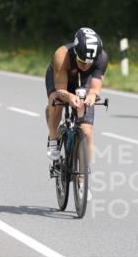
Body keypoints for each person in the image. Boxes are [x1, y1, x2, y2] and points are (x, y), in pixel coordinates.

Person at [45, 27, 108, 160]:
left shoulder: (102, 58)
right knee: (56, 101)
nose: (85, 66)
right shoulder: (62, 54)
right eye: (82, 61)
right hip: (61, 78)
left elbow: (95, 88)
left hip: (83, 81)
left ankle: (82, 174)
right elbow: (61, 90)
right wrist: (69, 96)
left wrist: (92, 96)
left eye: (89, 63)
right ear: (75, 52)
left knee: (87, 130)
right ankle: (53, 138)